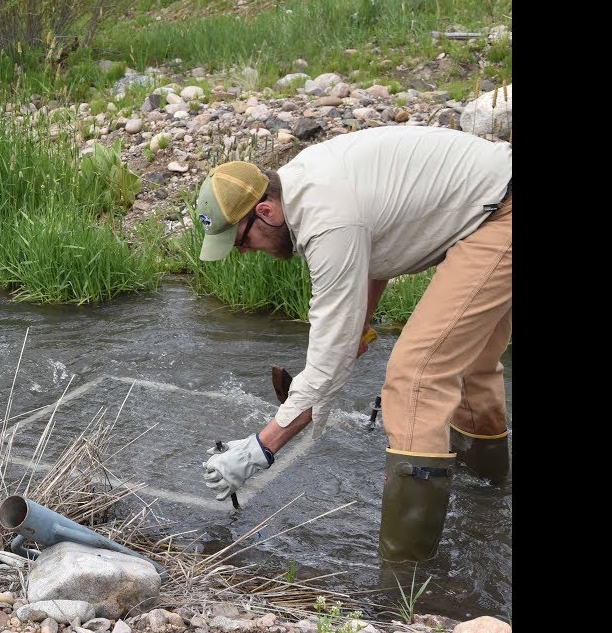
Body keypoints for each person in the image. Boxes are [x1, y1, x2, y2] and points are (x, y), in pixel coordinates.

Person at [195, 125, 511, 564]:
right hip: (493, 196)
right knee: (470, 362)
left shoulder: (328, 220)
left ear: (266, 211)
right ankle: (491, 503)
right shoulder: (305, 185)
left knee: (418, 375)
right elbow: (378, 248)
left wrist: (261, 448)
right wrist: (358, 325)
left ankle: (405, 579)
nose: (244, 253)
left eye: (241, 240)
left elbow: (326, 365)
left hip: (499, 214)